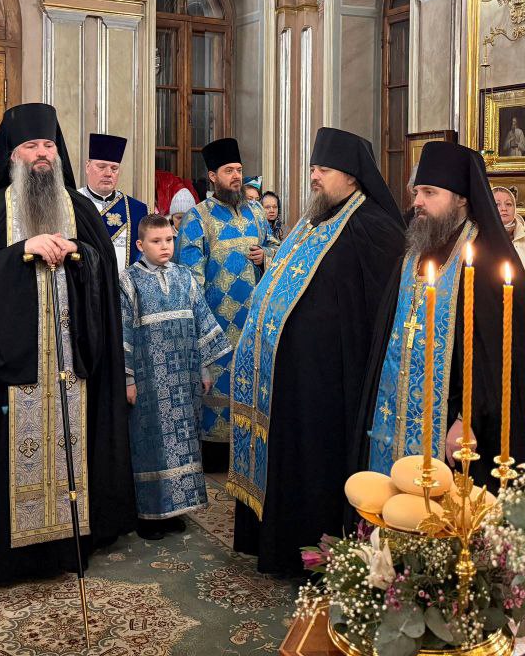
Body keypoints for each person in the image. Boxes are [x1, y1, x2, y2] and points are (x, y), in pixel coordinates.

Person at [0, 103, 135, 588]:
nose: (41, 153)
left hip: (72, 366)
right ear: (12, 154)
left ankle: (69, 546)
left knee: (72, 450)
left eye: (48, 145)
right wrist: (22, 252)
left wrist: (77, 252)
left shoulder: (78, 208)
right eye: (31, 145)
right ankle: (7, 557)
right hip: (10, 371)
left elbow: (105, 271)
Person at [231, 128, 405, 574]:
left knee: (317, 467)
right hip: (292, 374)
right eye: (312, 168)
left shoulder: (375, 227)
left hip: (333, 381)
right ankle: (277, 545)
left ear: (352, 175)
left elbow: (378, 315)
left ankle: (315, 555)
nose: (314, 177)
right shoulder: (315, 221)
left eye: (323, 169)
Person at [356, 141, 525, 490]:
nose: (418, 202)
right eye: (416, 192)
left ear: (461, 198)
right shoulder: (415, 252)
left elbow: (497, 356)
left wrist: (466, 418)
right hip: (397, 415)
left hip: (456, 427)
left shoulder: (487, 258)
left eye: (430, 192)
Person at [120, 214, 226, 538]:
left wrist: (204, 367)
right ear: (141, 245)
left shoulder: (184, 276)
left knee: (185, 441)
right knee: (150, 446)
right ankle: (149, 516)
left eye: (169, 240)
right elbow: (122, 331)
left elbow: (201, 320)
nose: (165, 246)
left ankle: (177, 508)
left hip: (183, 376)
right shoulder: (129, 281)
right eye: (156, 241)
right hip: (149, 381)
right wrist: (128, 378)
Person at [177, 137, 278, 458]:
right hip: (216, 324)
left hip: (253, 323)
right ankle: (214, 453)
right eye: (229, 171)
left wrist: (266, 256)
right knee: (217, 392)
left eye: (239, 170)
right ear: (212, 176)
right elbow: (189, 278)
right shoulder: (197, 218)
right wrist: (200, 326)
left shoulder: (256, 212)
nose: (236, 176)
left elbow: (275, 246)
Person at [494, 186, 525, 383]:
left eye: (508, 204)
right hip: (496, 316)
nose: (503, 208)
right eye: (497, 204)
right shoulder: (478, 239)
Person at [79, 132, 150, 270]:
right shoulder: (71, 203)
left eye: (114, 168)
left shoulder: (138, 210)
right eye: (101, 167)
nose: (108, 174)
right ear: (88, 166)